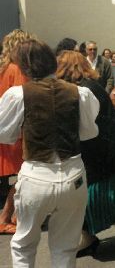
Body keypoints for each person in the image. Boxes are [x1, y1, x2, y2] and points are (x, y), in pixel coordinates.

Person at [0, 39, 99, 268]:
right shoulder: (79, 92)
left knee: (24, 246)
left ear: (25, 67)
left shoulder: (18, 94)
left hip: (36, 176)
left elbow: (5, 134)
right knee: (65, 247)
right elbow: (88, 133)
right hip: (74, 174)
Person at [56, 51, 115, 256]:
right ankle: (89, 236)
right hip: (100, 152)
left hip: (101, 154)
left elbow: (88, 124)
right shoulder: (85, 86)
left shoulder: (85, 89)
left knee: (100, 197)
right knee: (85, 198)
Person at [0, 30, 35, 236]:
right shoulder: (18, 69)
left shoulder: (4, 67)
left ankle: (12, 216)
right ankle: (7, 217)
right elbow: (25, 100)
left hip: (5, 129)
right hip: (18, 131)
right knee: (26, 174)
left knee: (23, 175)